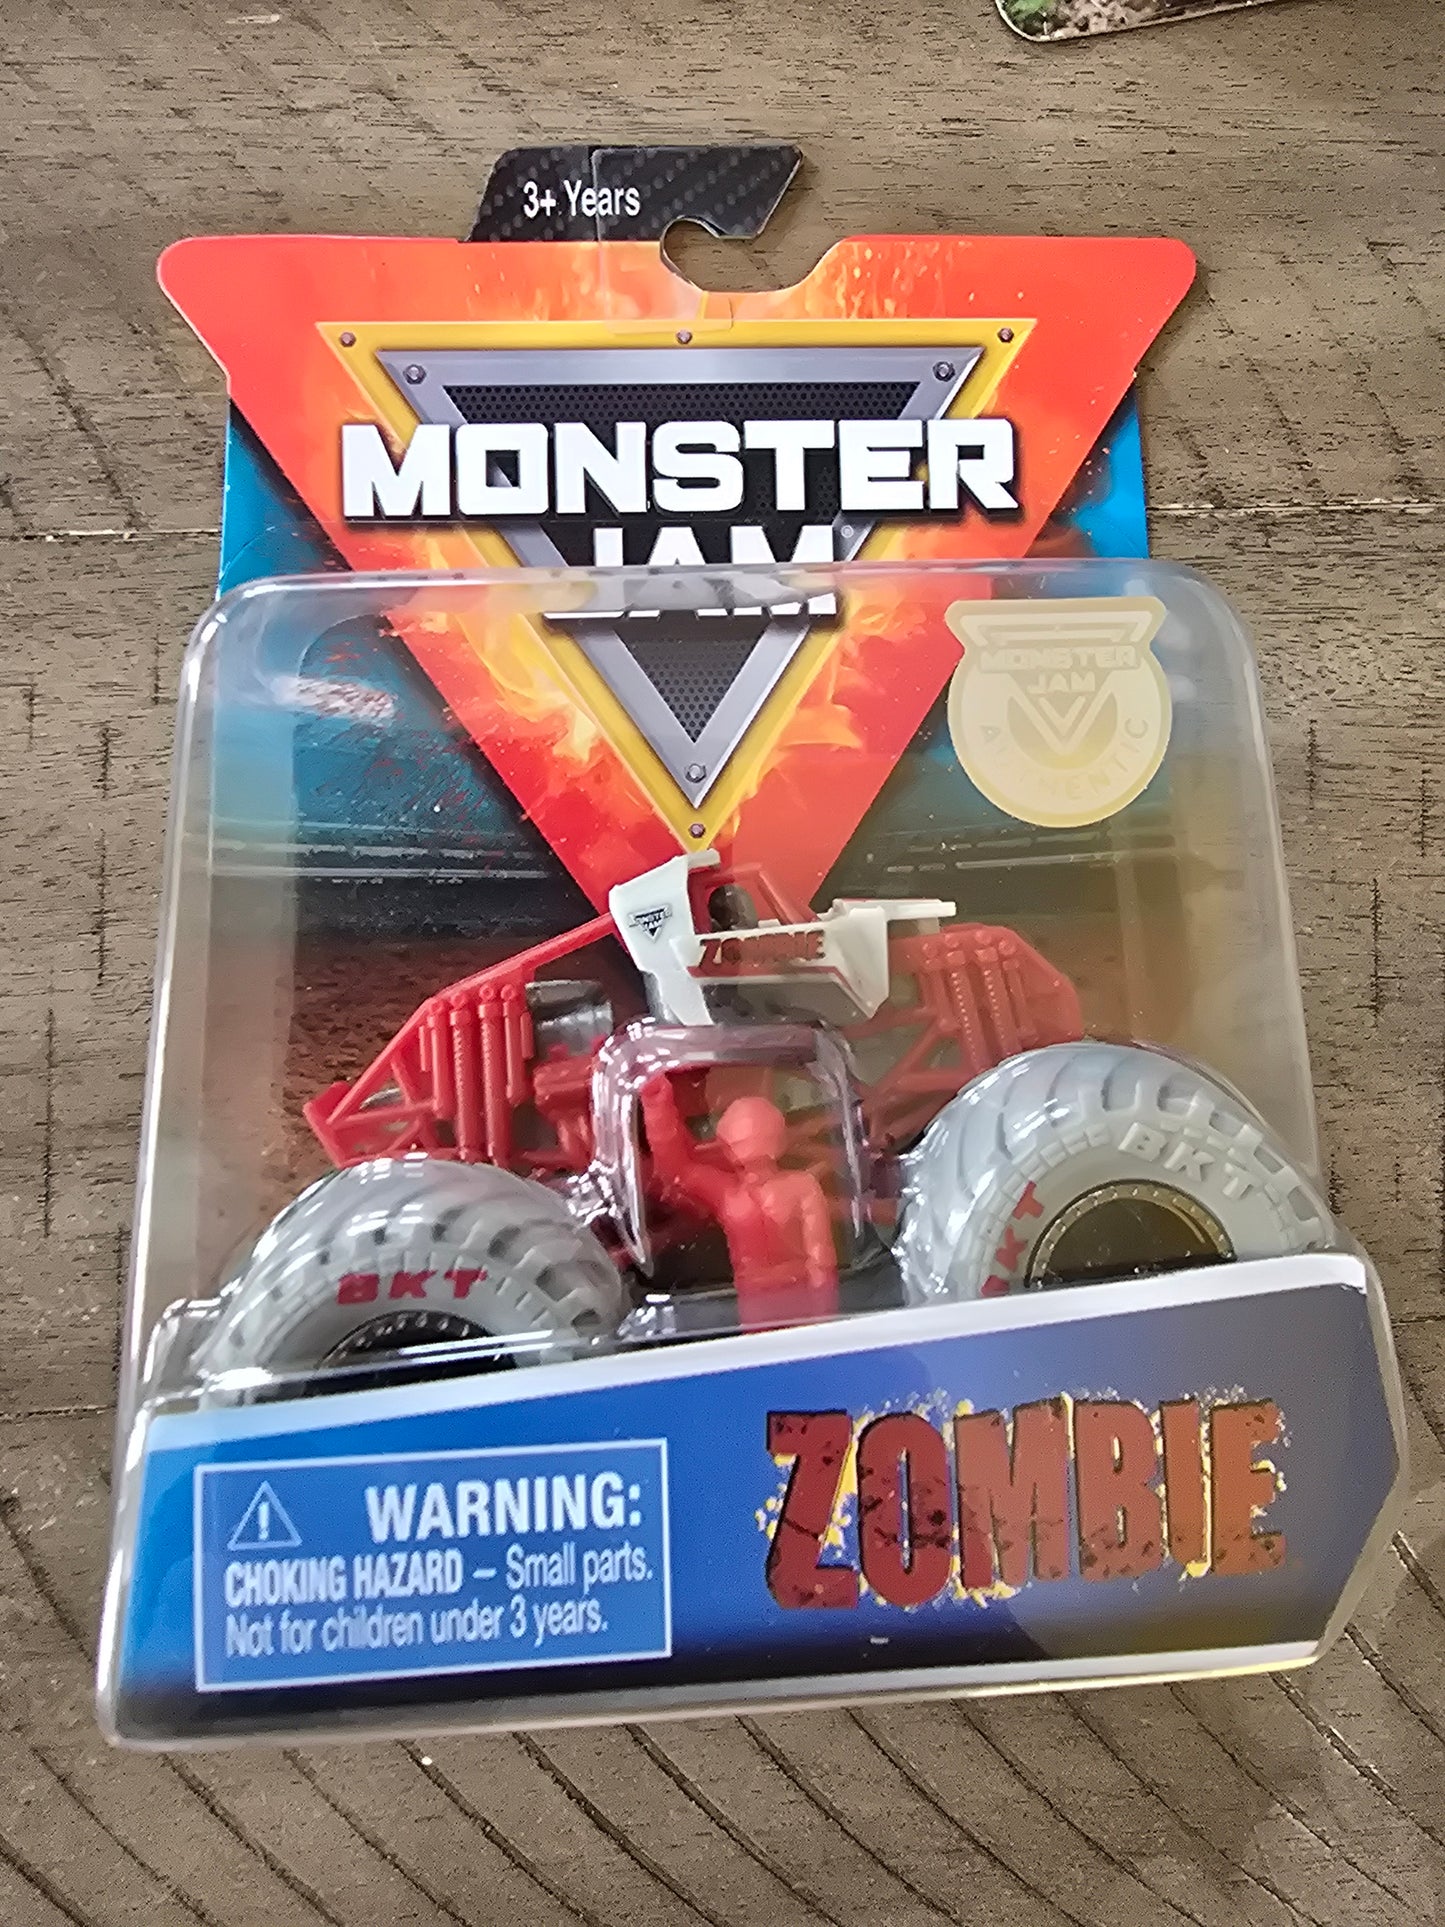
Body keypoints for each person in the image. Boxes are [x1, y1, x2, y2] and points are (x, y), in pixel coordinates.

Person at [640, 1076, 839, 1331]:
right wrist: (657, 1107)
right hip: (756, 1298)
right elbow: (677, 1170)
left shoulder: (799, 1186)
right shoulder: (729, 1192)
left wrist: (824, 1314)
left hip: (797, 1293)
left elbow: (821, 1258)